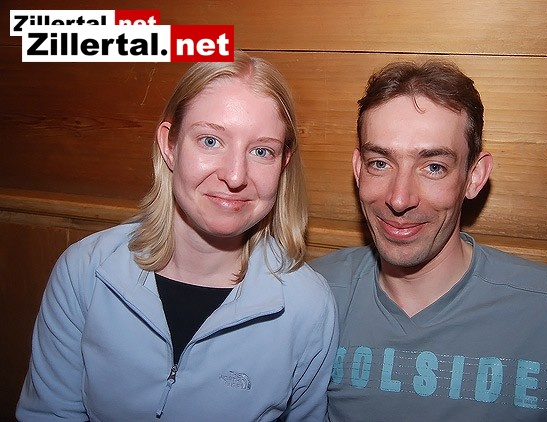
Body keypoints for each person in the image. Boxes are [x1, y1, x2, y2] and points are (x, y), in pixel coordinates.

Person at [17, 51, 338, 421]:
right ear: (169, 145)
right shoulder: (86, 271)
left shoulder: (307, 306)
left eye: (262, 150)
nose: (235, 176)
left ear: (283, 163)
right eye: (210, 141)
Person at [310, 60, 547, 420]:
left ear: (474, 176)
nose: (399, 199)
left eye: (434, 167)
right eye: (380, 163)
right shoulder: (310, 296)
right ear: (358, 170)